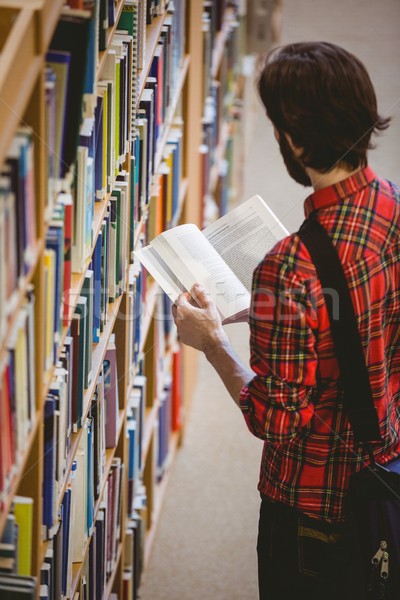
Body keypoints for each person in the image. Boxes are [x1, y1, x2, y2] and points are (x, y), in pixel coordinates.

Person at [171, 42, 400, 599]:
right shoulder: (392, 202)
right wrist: (279, 316)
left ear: (295, 140)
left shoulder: (289, 267)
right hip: (387, 463)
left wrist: (213, 344)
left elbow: (275, 418)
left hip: (312, 508)